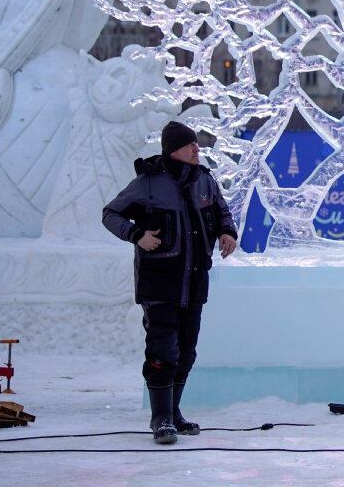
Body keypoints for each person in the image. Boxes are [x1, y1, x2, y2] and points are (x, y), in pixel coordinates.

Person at [103, 120, 237, 444]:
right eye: (190, 144)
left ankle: (174, 412)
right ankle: (160, 418)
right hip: (158, 281)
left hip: (194, 282)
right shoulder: (147, 183)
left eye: (196, 144)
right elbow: (111, 214)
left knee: (186, 350)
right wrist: (137, 235)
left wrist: (227, 232)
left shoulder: (205, 180)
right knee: (162, 349)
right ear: (174, 149)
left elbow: (222, 212)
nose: (197, 149)